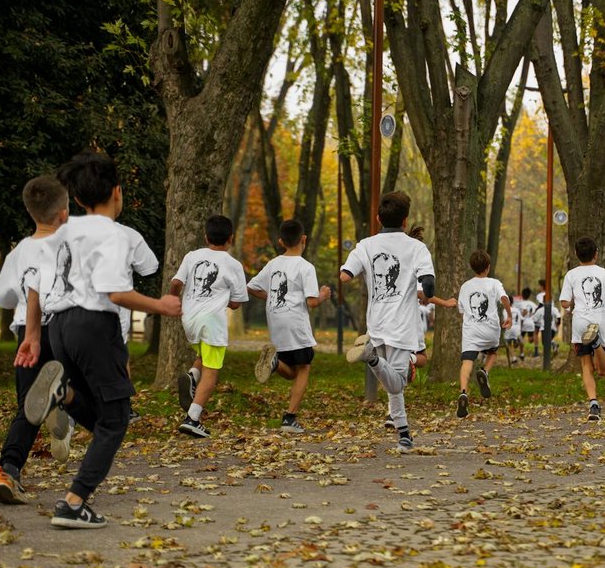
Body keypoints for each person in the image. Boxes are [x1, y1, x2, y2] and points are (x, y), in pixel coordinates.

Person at [20, 151, 181, 528]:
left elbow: (34, 285)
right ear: (117, 192)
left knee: (106, 417)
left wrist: (32, 336)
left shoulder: (62, 231)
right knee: (116, 421)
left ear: (75, 200)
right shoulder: (115, 234)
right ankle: (74, 503)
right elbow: (115, 292)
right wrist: (161, 305)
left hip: (58, 327)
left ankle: (65, 395)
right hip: (94, 326)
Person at [0, 175, 75, 505]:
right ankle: (61, 417)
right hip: (65, 327)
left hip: (28, 330)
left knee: (27, 404)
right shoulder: (72, 248)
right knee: (63, 388)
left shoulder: (18, 253)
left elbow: (2, 298)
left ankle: (8, 470)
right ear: (64, 214)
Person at [341, 191, 435, 452]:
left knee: (392, 386)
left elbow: (345, 275)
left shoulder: (366, 245)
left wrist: (355, 271)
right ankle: (370, 357)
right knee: (398, 382)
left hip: (376, 324)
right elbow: (428, 282)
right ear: (405, 221)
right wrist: (426, 288)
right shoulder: (417, 248)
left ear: (377, 218)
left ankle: (404, 434)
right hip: (403, 326)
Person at [249, 220, 332, 432]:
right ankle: (289, 418)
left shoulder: (273, 264)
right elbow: (311, 302)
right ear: (304, 239)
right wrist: (323, 295)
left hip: (276, 320)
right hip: (295, 322)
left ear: (280, 242)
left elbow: (251, 287)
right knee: (304, 368)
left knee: (291, 369)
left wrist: (272, 298)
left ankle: (275, 362)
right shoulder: (306, 267)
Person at [171, 215, 249, 438]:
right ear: (231, 239)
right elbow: (236, 303)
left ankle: (192, 376)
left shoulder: (191, 256)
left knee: (204, 358)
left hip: (190, 319)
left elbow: (176, 282)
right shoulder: (233, 265)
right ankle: (192, 418)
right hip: (212, 320)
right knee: (213, 371)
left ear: (205, 237)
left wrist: (173, 299)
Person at [559, 236, 605, 421]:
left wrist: (571, 304)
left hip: (580, 324)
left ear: (576, 254)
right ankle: (596, 343)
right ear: (596, 254)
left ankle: (593, 404)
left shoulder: (571, 275)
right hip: (601, 324)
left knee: (586, 366)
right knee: (604, 371)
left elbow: (564, 301)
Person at [456, 250, 511, 418]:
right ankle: (485, 371)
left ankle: (463, 392)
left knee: (467, 362)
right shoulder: (494, 283)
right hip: (490, 330)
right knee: (493, 353)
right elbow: (504, 299)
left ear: (472, 267)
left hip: (471, 332)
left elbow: (461, 310)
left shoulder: (465, 286)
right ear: (488, 267)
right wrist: (510, 315)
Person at [116, 223, 160, 422]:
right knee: (119, 360)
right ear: (117, 193)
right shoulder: (128, 235)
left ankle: (68, 403)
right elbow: (150, 268)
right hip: (114, 313)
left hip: (74, 313)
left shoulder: (68, 232)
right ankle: (123, 408)